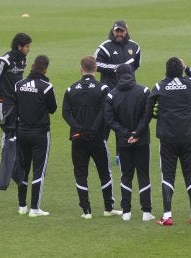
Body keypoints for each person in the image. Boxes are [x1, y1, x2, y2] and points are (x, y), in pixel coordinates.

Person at [142, 57, 191, 226]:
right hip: (188, 137)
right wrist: (187, 68)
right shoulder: (189, 84)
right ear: (181, 69)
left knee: (167, 175)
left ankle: (167, 215)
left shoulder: (159, 86)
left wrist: (138, 131)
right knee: (190, 174)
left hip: (167, 138)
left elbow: (148, 111)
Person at [62, 56, 122, 219]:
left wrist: (78, 128)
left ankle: (86, 211)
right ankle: (108, 208)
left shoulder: (70, 89)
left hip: (77, 137)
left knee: (80, 173)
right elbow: (105, 112)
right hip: (97, 137)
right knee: (104, 172)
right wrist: (93, 129)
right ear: (95, 69)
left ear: (81, 69)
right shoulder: (103, 89)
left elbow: (65, 113)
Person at [104, 64, 154, 222]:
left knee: (126, 175)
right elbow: (148, 115)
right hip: (142, 140)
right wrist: (137, 133)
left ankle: (126, 211)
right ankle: (146, 212)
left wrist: (126, 134)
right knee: (143, 174)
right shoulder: (144, 91)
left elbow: (110, 120)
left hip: (123, 142)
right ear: (131, 74)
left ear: (117, 76)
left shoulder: (111, 95)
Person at [13, 55, 57, 217]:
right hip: (40, 133)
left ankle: (22, 206)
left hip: (22, 132)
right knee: (39, 170)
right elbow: (52, 108)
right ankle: (34, 208)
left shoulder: (18, 85)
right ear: (45, 69)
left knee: (23, 168)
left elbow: (14, 105)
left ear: (32, 66)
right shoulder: (46, 86)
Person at [94, 20, 141, 164]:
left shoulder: (135, 47)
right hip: (109, 92)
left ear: (126, 31)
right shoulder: (104, 47)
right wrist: (115, 68)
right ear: (113, 31)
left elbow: (136, 66)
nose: (119, 34)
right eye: (117, 31)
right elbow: (96, 64)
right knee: (106, 123)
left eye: (121, 31)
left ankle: (121, 155)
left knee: (126, 123)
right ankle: (101, 153)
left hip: (128, 92)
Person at [0, 32, 32, 190]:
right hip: (5, 102)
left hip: (18, 101)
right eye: (27, 46)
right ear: (19, 46)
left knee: (17, 129)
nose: (29, 49)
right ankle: (5, 165)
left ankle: (14, 161)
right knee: (6, 131)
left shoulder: (23, 59)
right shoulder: (4, 61)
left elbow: (20, 79)